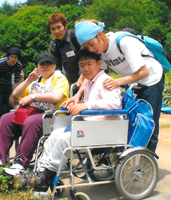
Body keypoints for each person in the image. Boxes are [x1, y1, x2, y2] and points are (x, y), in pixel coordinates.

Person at [14, 49, 122, 191]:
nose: (85, 69)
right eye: (82, 65)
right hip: (91, 125)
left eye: (89, 64)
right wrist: (76, 104)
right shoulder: (90, 82)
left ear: (99, 63)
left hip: (104, 128)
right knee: (55, 135)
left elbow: (114, 103)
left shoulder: (106, 80)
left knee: (64, 139)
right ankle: (41, 172)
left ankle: (46, 176)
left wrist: (86, 105)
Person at [70, 20, 164, 152]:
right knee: (131, 120)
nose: (91, 50)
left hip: (151, 79)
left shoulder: (124, 42)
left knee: (149, 122)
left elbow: (144, 72)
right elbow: (92, 74)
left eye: (91, 44)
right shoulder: (100, 50)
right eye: (87, 47)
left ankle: (146, 160)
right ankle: (130, 155)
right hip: (132, 82)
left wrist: (118, 82)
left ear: (100, 34)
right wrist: (77, 95)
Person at [0, 52, 69, 175]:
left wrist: (33, 97)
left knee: (31, 121)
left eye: (48, 64)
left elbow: (57, 96)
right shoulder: (36, 80)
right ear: (37, 66)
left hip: (51, 116)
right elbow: (16, 94)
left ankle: (20, 162)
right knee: (6, 118)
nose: (45, 67)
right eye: (42, 64)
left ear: (54, 65)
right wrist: (28, 80)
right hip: (31, 112)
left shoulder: (59, 78)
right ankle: (0, 158)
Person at [48, 13, 85, 87]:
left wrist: (81, 79)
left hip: (86, 76)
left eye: (59, 27)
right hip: (70, 81)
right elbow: (57, 67)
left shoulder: (75, 37)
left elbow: (86, 58)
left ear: (65, 25)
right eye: (53, 29)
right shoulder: (54, 45)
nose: (57, 31)